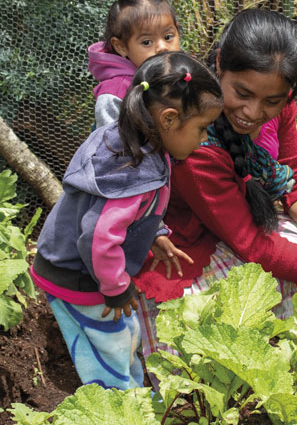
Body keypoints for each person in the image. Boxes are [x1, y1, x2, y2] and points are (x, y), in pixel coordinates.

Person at [133, 9, 297, 360]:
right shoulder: (193, 139)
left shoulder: (280, 104)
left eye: (271, 101)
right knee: (201, 335)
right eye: (241, 93)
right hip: (179, 247)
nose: (253, 111)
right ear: (219, 66)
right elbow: (253, 246)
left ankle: (279, 367)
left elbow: (296, 180)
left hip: (227, 230)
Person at [31, 52, 223, 390]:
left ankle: (133, 394)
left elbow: (130, 213)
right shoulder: (130, 173)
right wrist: (117, 289)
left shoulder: (134, 143)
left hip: (85, 268)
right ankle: (120, 414)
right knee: (111, 348)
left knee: (127, 334)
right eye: (202, 129)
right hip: (77, 274)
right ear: (168, 119)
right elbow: (97, 239)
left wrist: (156, 233)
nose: (205, 138)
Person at [88, 0, 181, 128]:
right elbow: (110, 146)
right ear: (121, 47)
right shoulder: (115, 94)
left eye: (168, 37)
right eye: (147, 42)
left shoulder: (186, 72)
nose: (162, 47)